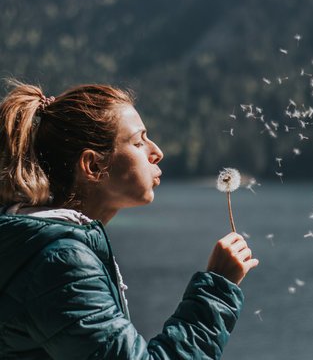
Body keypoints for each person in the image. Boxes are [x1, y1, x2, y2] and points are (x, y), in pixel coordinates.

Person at [0, 80, 259, 359]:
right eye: (138, 141)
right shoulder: (62, 265)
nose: (156, 152)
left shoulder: (38, 243)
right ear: (94, 166)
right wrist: (217, 288)